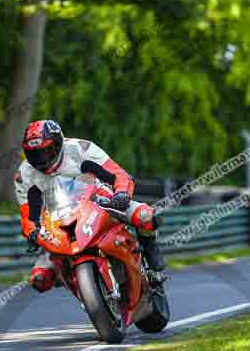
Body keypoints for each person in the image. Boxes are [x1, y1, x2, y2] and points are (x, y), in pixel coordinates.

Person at [14, 119, 166, 292]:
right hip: (56, 222)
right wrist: (32, 231)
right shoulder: (23, 175)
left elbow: (118, 174)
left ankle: (149, 246)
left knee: (145, 215)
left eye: (46, 151)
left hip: (100, 201)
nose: (41, 159)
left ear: (58, 145)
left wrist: (121, 193)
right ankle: (71, 280)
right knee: (39, 279)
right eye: (34, 154)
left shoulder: (81, 148)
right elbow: (27, 215)